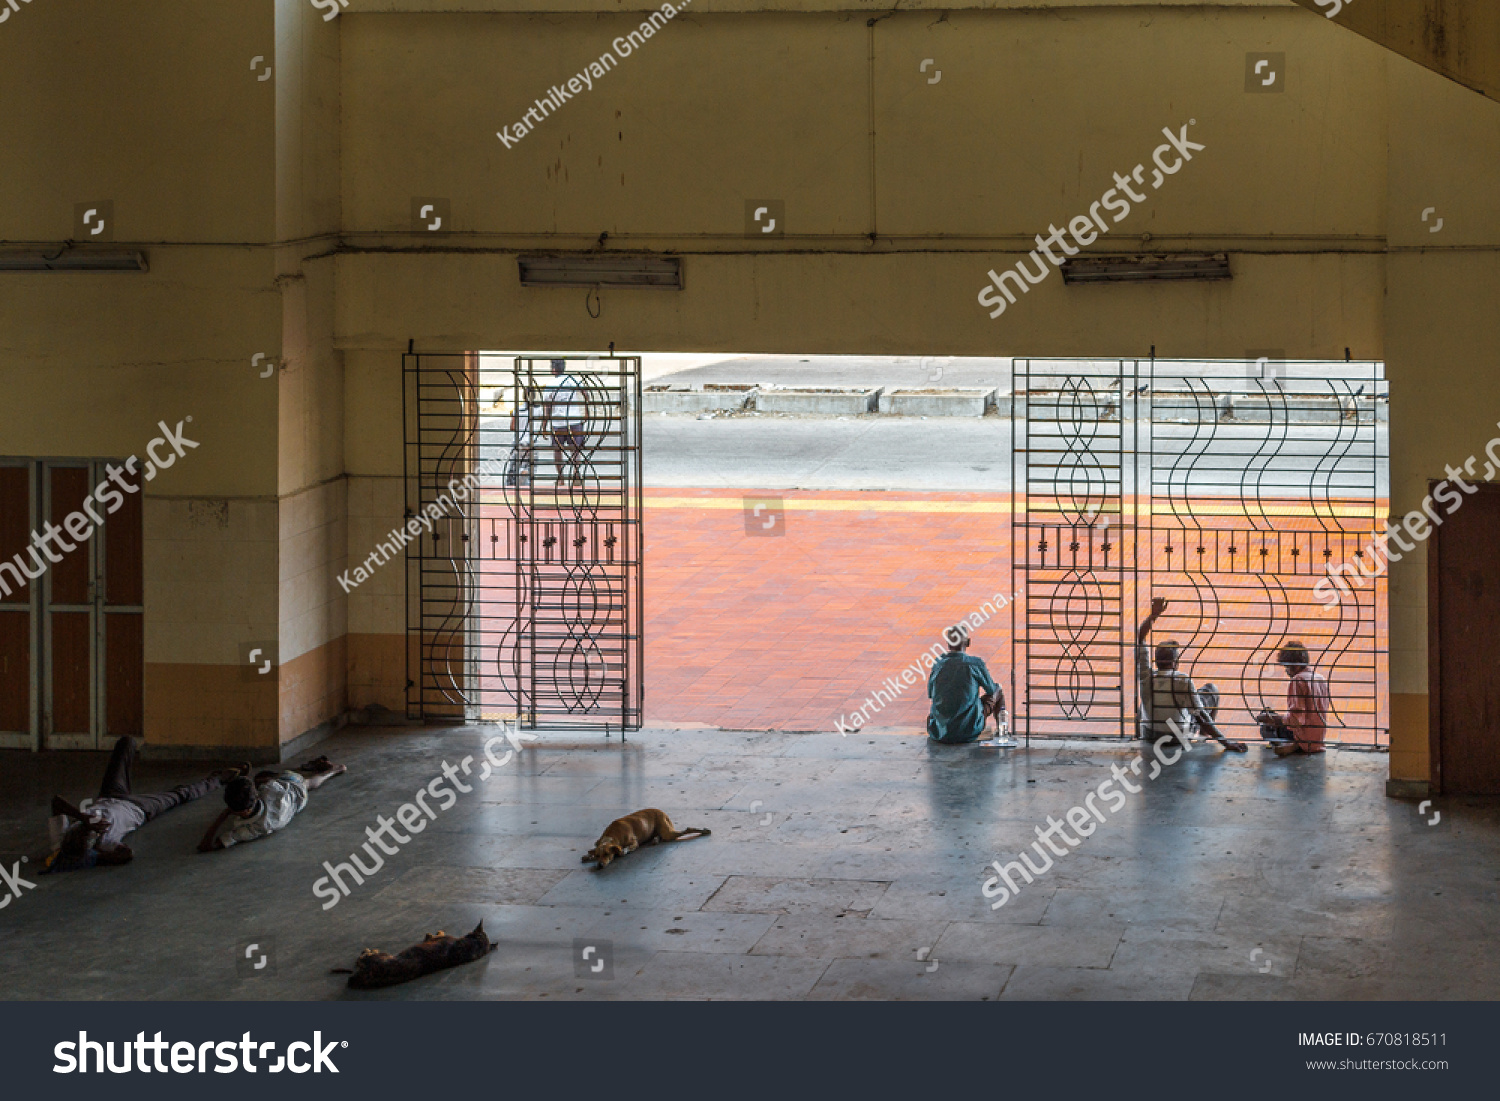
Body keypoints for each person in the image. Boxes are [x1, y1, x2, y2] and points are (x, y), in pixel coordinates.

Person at [45, 736, 245, 871]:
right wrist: (96, 856)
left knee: (127, 743)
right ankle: (218, 779)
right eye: (89, 837)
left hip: (110, 795)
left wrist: (84, 818)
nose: (90, 833)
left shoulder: (60, 840)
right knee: (181, 795)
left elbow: (56, 802)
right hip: (140, 808)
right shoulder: (104, 844)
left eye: (83, 831)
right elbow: (126, 855)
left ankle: (217, 778)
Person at [1136, 597, 1247, 752]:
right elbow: (1200, 716)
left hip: (1149, 736)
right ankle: (1203, 739)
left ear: (1156, 661)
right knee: (1210, 691)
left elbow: (1140, 637)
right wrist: (1227, 743)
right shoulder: (1182, 680)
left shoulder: (1146, 677)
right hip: (1177, 737)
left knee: (1144, 703)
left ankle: (1139, 735)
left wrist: (1153, 615)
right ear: (1175, 662)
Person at [197, 755, 347, 852]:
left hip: (293, 799)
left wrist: (222, 817)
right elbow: (267, 783)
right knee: (303, 782)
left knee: (301, 782)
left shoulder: (252, 829)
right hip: (293, 789)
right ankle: (333, 769)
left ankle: (325, 769)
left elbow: (205, 846)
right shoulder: (267, 791)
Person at [927, 624, 1005, 744]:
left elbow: (931, 694)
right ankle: (1003, 731)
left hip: (938, 732)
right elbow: (991, 690)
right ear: (968, 642)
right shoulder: (975, 664)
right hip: (969, 730)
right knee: (998, 689)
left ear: (948, 643)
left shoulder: (938, 664)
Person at [1256, 642, 1331, 757]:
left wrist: (1272, 718)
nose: (1286, 671)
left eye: (1287, 667)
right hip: (1318, 738)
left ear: (1293, 666)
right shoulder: (1320, 678)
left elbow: (1296, 720)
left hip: (1303, 737)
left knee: (1266, 725)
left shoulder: (1297, 680)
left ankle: (1295, 744)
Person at [544, 358, 590, 488]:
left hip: (558, 423)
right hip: (575, 421)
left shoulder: (551, 384)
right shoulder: (573, 380)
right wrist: (586, 411)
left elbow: (547, 406)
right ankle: (576, 474)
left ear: (553, 369)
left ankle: (561, 478)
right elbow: (586, 394)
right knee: (575, 450)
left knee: (557, 450)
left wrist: (544, 425)